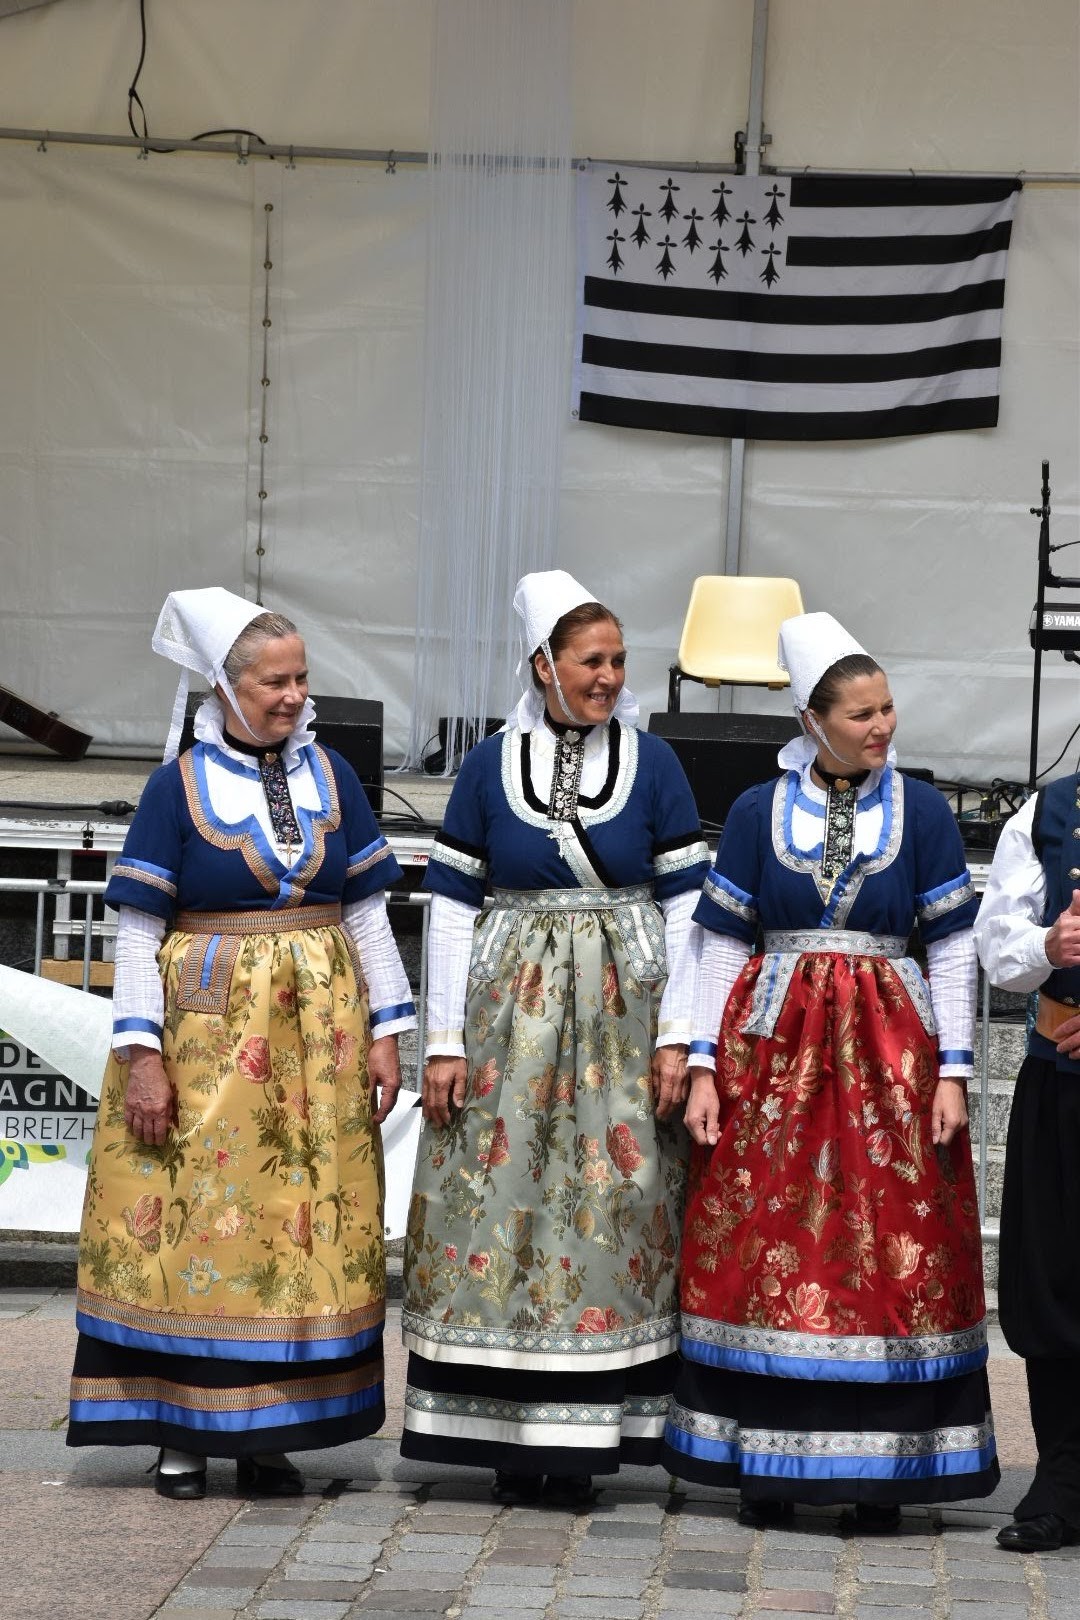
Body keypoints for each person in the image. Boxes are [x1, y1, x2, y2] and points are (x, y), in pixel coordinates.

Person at [68, 587, 416, 1499]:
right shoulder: (175, 786)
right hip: (208, 1045)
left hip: (319, 1048)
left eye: (302, 677)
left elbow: (371, 911)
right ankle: (183, 1435)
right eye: (275, 680)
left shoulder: (332, 776)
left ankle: (271, 1433)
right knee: (201, 1226)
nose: (295, 695)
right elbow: (139, 931)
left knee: (297, 1227)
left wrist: (391, 1031)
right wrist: (143, 1058)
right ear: (226, 685)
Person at [662, 611, 998, 1528]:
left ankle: (881, 1475)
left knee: (891, 1250)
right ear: (813, 721)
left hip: (891, 1056)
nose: (882, 727)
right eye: (862, 714)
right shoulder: (754, 811)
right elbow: (722, 945)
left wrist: (954, 1070)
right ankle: (769, 1465)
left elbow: (954, 943)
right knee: (768, 1243)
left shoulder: (921, 809)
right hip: (774, 1053)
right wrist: (703, 1067)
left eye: (889, 709)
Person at [400, 569, 710, 1505]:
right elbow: (451, 908)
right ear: (543, 666)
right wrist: (444, 1040)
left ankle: (589, 1438)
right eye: (591, 660)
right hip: (509, 1023)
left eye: (618, 659)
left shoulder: (653, 765)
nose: (610, 676)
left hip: (624, 1020)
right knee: (502, 1200)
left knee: (615, 1206)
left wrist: (682, 1038)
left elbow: (689, 903)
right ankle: (501, 1434)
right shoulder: (489, 766)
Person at [973, 777, 1080, 1550]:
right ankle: (1064, 1481)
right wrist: (1047, 945)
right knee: (1050, 1282)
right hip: (1061, 1079)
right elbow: (996, 943)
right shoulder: (1050, 811)